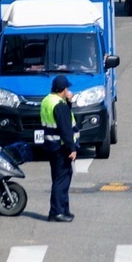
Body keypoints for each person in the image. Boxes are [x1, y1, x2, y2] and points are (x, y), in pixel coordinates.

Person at [41, 75, 78, 222]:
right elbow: (65, 128)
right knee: (61, 180)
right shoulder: (59, 105)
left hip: (51, 145)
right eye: (66, 88)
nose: (68, 90)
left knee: (59, 178)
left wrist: (67, 102)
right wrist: (72, 148)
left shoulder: (47, 101)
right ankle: (57, 212)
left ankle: (63, 209)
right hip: (61, 147)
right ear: (62, 89)